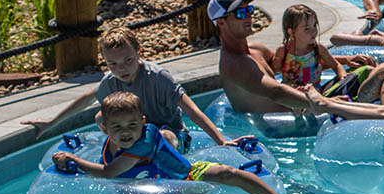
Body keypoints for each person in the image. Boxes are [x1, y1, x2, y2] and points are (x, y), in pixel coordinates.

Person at [52, 93, 303, 194]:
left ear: (142, 122)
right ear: (104, 128)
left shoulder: (142, 143)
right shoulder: (110, 142)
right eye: (117, 127)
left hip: (185, 179)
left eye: (132, 125)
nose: (127, 133)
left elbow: (108, 173)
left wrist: (73, 160)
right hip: (153, 187)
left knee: (227, 175)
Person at [22, 26, 242, 146]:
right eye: (112, 64)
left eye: (128, 60)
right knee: (101, 117)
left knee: (162, 136)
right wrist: (51, 123)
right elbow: (88, 98)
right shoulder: (111, 81)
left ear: (138, 52)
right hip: (134, 133)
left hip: (172, 134)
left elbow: (192, 111)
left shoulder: (159, 77)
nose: (121, 69)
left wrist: (221, 141)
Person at [271, 4, 347, 89]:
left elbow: (336, 65)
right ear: (291, 32)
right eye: (307, 29)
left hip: (314, 92)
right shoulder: (284, 50)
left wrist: (343, 79)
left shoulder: (318, 48)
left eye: (314, 25)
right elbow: (274, 70)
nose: (314, 31)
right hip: (291, 93)